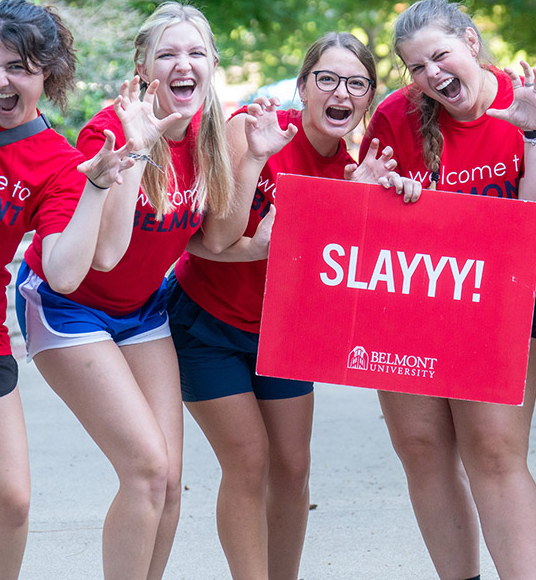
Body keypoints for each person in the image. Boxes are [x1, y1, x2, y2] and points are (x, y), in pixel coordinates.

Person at [168, 31, 418, 580]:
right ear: (302, 87)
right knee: (249, 461)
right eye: (326, 79)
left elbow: (339, 278)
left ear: (368, 98)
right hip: (207, 321)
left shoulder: (353, 171)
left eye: (357, 83)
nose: (341, 92)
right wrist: (258, 178)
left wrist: (368, 206)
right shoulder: (251, 131)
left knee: (294, 467)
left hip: (282, 333)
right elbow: (211, 239)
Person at [15, 1, 234, 580]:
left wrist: (256, 156)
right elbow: (106, 256)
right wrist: (137, 147)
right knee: (144, 468)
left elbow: (212, 240)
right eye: (167, 54)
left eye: (194, 52)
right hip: (68, 302)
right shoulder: (111, 132)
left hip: (141, 312)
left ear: (213, 63)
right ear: (144, 69)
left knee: (169, 483)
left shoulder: (212, 137)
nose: (182, 64)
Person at [360, 0, 536, 580]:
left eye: (440, 56)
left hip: (505, 299)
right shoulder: (396, 117)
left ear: (471, 44)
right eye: (416, 67)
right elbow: (363, 219)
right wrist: (376, 192)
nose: (431, 75)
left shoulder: (534, 102)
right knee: (423, 449)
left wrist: (535, 134)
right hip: (410, 298)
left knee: (494, 449)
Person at [0, 0, 134, 580]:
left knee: (11, 504)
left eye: (17, 66)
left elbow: (65, 273)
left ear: (48, 72)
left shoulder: (59, 165)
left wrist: (94, 190)